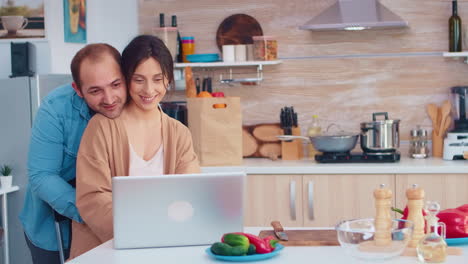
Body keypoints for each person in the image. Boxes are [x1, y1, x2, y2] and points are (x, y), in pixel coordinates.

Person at [69, 35, 200, 258]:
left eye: (157, 79)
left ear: (168, 79)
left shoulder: (179, 134)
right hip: (106, 252)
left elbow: (189, 196)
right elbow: (93, 198)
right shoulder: (101, 127)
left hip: (161, 249)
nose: (149, 90)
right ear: (126, 78)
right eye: (139, 79)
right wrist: (140, 238)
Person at [19, 43, 127, 264]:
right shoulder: (55, 109)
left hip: (121, 222)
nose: (109, 98)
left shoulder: (137, 103)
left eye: (115, 84)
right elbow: (42, 176)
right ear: (78, 90)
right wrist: (96, 212)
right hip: (54, 229)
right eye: (95, 91)